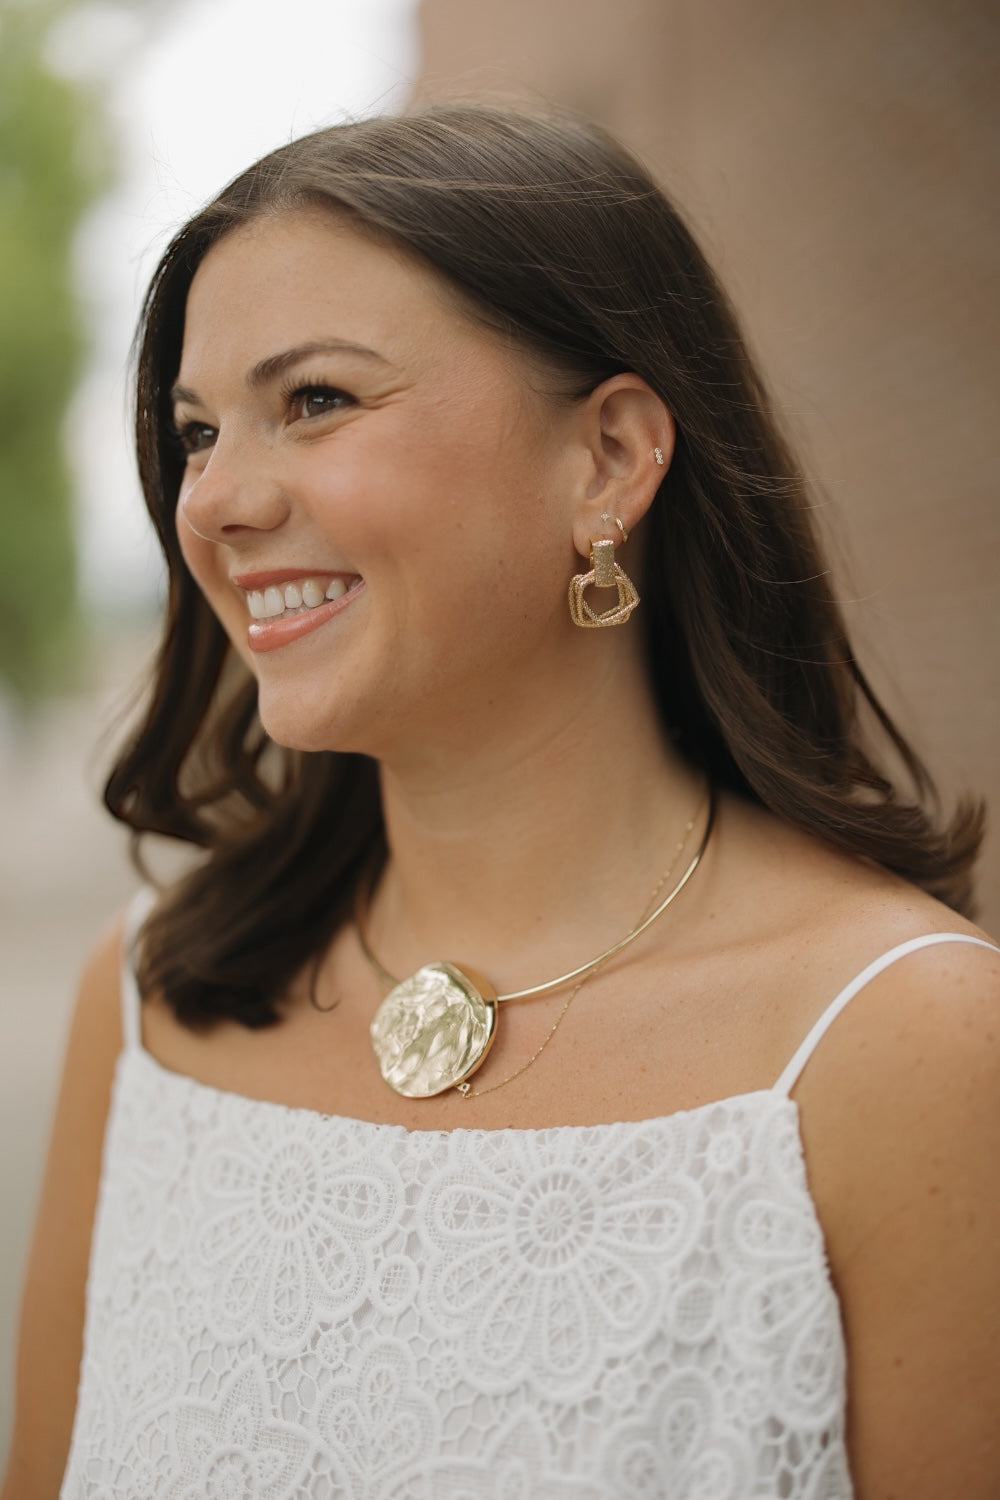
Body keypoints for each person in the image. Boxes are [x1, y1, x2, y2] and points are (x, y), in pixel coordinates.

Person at [4, 102, 998, 1500]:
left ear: (609, 459)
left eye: (317, 401)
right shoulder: (153, 1001)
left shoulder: (905, 1048)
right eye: (197, 431)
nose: (213, 500)